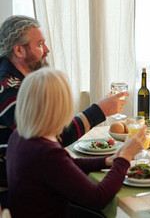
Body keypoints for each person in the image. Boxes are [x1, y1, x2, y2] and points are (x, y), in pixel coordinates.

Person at [6, 68, 146, 217]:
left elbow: (65, 165)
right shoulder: (47, 153)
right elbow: (99, 198)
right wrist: (124, 159)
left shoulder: (19, 136)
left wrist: (107, 161)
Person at [0, 15, 127, 146]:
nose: (47, 50)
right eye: (40, 44)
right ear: (19, 50)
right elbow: (50, 139)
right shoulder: (8, 89)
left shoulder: (21, 81)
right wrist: (100, 110)